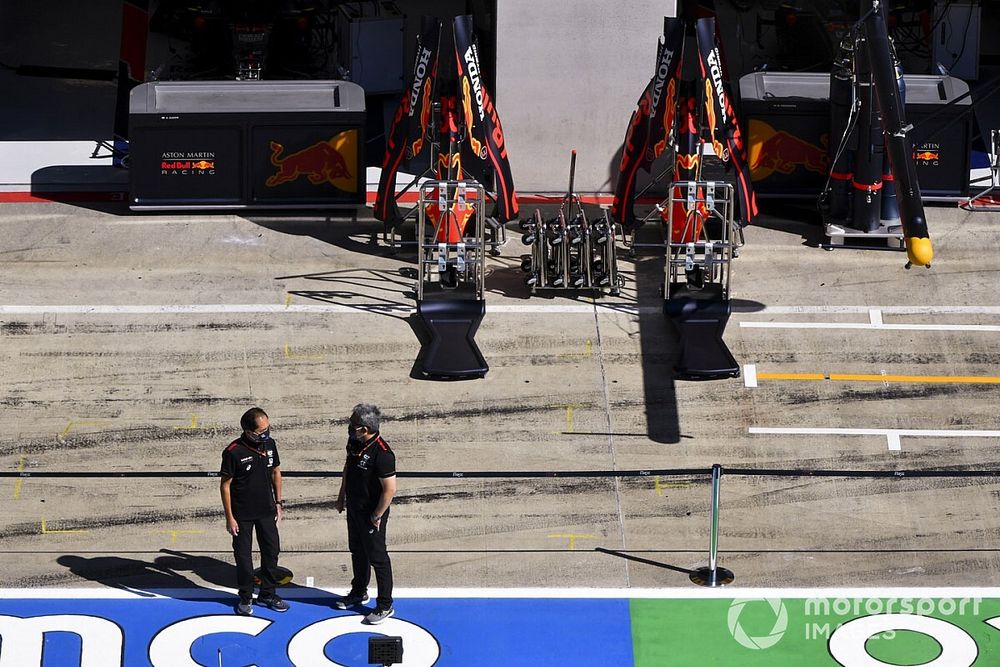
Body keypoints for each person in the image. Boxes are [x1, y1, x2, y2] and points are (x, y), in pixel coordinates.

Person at [220, 407, 288, 615]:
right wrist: (229, 517)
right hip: (242, 515)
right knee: (244, 558)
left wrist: (278, 502)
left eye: (268, 429)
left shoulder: (270, 444)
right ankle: (246, 596)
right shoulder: (233, 451)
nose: (266, 435)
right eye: (261, 431)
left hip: (267, 510)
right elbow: (225, 485)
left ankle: (267, 593)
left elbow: (276, 472)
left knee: (271, 552)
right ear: (248, 431)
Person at [334, 403, 397, 624]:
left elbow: (389, 490)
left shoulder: (383, 454)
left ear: (364, 428)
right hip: (354, 508)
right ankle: (359, 591)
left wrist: (377, 515)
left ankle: (385, 605)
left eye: (353, 424)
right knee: (357, 551)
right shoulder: (354, 442)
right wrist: (342, 494)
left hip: (372, 513)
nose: (349, 428)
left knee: (378, 558)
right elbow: (348, 468)